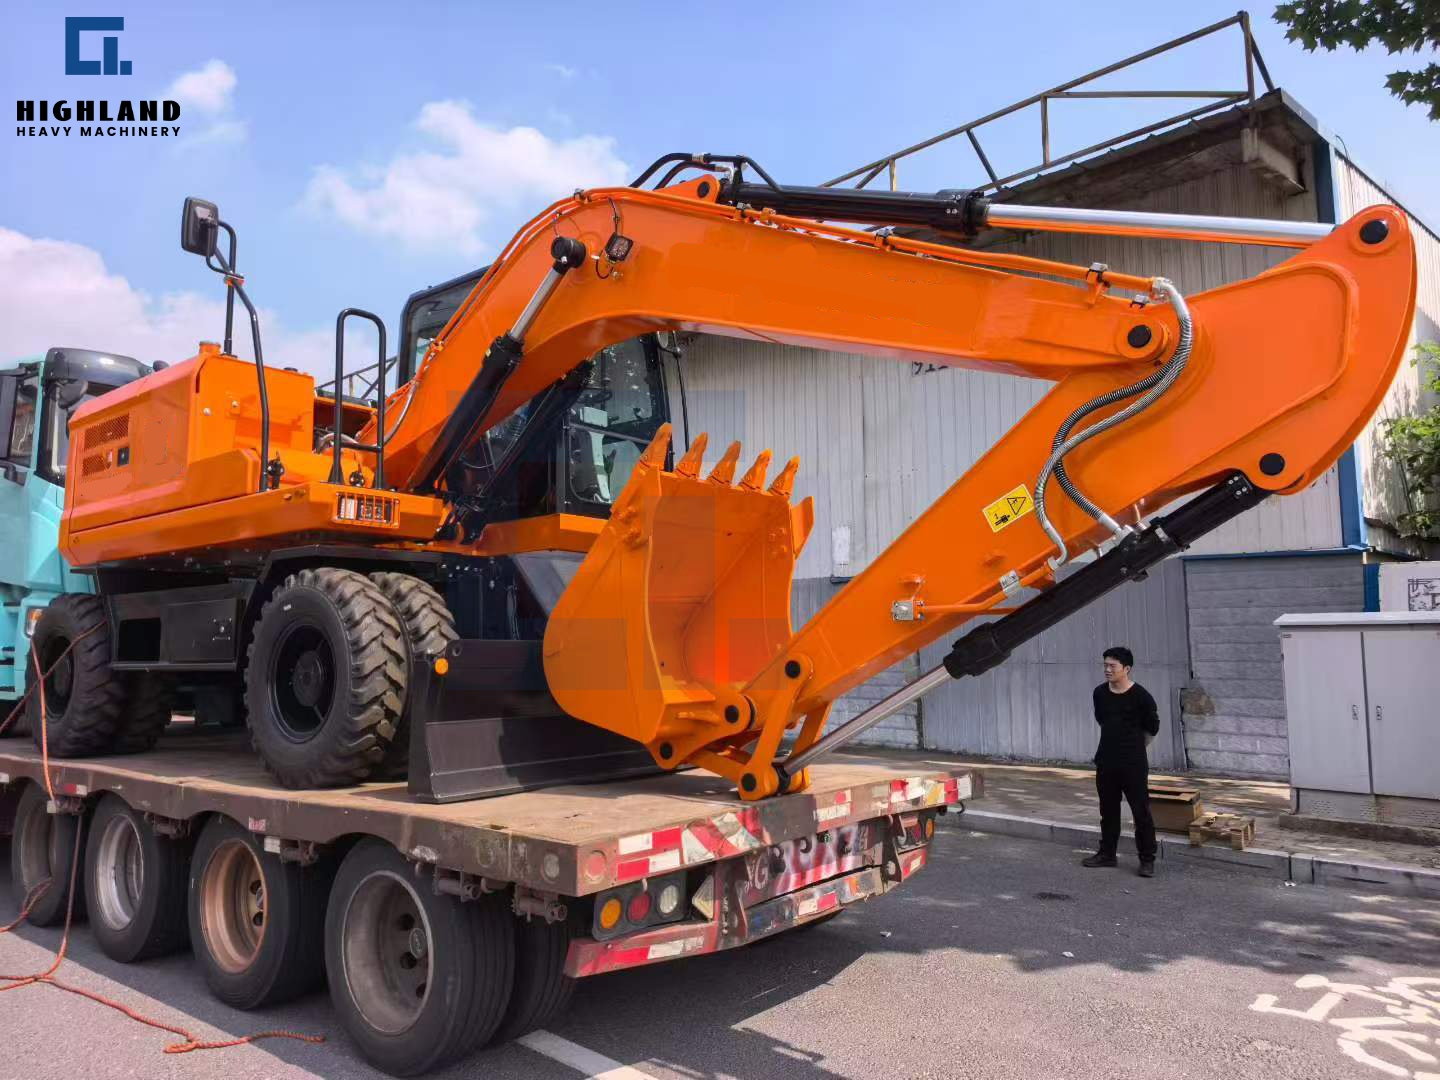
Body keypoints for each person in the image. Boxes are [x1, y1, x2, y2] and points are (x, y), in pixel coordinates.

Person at [1081, 646, 1159, 877]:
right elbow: (1102, 720)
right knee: (1108, 810)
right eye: (1105, 665)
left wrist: (1132, 748)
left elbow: (1152, 728)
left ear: (1126, 669)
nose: (1107, 669)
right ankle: (1107, 854)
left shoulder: (1141, 696)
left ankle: (1147, 859)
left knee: (1140, 811)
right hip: (1106, 760)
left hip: (1133, 763)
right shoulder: (1099, 693)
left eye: (1112, 666)